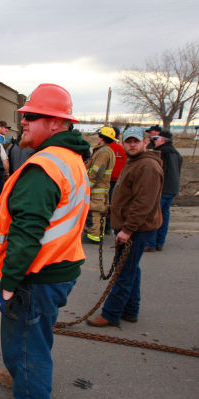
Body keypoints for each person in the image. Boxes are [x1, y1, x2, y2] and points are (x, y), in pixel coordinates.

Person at [0, 84, 90, 399]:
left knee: (29, 341)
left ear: (57, 124)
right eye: (23, 116)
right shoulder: (70, 159)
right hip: (59, 266)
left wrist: (10, 282)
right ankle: (21, 374)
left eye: (32, 116)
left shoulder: (45, 166)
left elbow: (27, 234)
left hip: (37, 273)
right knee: (29, 336)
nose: (23, 121)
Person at [87, 127, 163, 327]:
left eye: (135, 141)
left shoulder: (147, 166)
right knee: (131, 269)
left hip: (137, 229)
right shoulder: (136, 162)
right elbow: (128, 195)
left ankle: (111, 314)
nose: (131, 144)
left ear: (145, 142)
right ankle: (130, 310)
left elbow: (143, 203)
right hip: (133, 225)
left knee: (124, 272)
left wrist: (128, 229)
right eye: (128, 141)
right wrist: (114, 209)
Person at [145, 129, 183, 251]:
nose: (154, 141)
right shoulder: (176, 153)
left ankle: (151, 243)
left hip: (162, 188)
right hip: (172, 188)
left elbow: (159, 172)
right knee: (164, 215)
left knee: (154, 215)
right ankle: (160, 242)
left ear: (162, 140)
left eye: (156, 139)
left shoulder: (161, 153)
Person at [84, 126, 116, 244]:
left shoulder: (103, 152)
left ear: (101, 138)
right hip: (101, 188)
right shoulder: (107, 151)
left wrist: (87, 186)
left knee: (94, 212)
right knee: (99, 212)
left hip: (96, 189)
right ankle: (98, 234)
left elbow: (97, 172)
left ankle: (94, 236)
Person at [104, 126, 126, 234]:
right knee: (113, 203)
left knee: (105, 203)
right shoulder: (122, 149)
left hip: (107, 181)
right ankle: (109, 226)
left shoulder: (106, 149)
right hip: (118, 181)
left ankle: (105, 227)